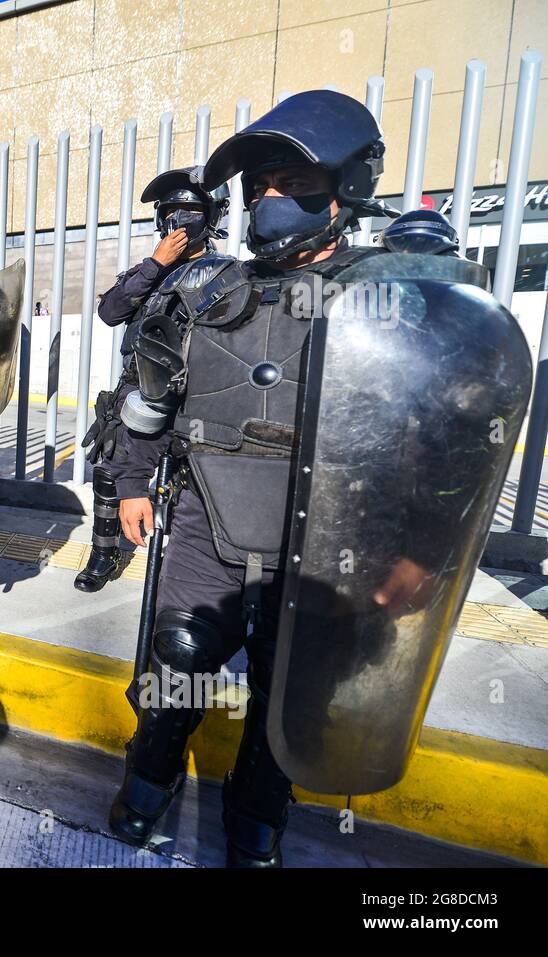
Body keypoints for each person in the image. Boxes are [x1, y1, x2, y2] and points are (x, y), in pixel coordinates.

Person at [104, 90, 399, 867]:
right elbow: (149, 397)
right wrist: (132, 482)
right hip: (206, 514)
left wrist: (415, 550)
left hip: (326, 538)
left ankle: (256, 815)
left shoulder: (394, 296)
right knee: (178, 657)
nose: (269, 200)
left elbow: (442, 438)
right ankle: (153, 773)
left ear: (348, 189)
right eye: (259, 185)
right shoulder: (207, 290)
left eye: (291, 185)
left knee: (287, 694)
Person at [75, 167, 230, 592]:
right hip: (134, 389)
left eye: (188, 209)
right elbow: (111, 312)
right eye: (170, 209)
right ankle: (104, 553)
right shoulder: (151, 269)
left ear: (211, 215)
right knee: (111, 473)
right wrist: (156, 264)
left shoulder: (224, 273)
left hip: (189, 395)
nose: (177, 219)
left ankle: (179, 565)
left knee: (184, 488)